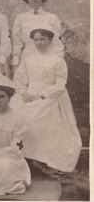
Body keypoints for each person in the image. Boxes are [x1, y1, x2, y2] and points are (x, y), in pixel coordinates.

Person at [12, 27, 81, 174]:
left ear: (49, 40)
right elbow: (19, 79)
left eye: (42, 39)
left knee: (40, 117)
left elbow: (60, 85)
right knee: (16, 114)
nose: (39, 42)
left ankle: (41, 159)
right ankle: (24, 158)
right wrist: (24, 93)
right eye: (36, 39)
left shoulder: (58, 60)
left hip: (51, 96)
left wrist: (42, 95)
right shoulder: (28, 59)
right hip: (29, 95)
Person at [11, 0, 63, 76]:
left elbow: (56, 43)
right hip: (27, 57)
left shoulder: (52, 18)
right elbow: (16, 43)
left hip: (48, 58)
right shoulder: (20, 18)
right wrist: (15, 64)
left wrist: (57, 61)